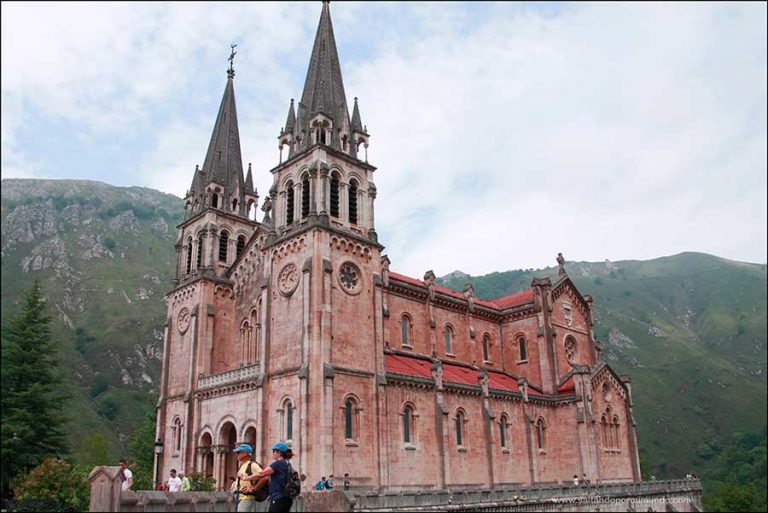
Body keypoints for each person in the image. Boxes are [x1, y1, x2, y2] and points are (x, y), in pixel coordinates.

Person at [255, 442, 293, 512]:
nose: (272, 453)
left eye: (273, 451)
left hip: (278, 498)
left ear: (279, 452)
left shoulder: (277, 464)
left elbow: (261, 474)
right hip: (287, 498)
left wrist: (245, 478)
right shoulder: (288, 464)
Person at [233, 443, 266, 512]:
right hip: (240, 497)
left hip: (247, 497)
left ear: (245, 453)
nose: (237, 454)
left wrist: (254, 489)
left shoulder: (252, 464)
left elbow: (264, 477)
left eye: (238, 452)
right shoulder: (242, 465)